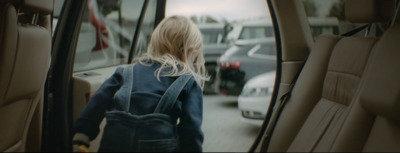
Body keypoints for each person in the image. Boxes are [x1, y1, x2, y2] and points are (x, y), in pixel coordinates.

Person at [72, 15, 208, 152]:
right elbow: (191, 129)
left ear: (155, 41)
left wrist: (82, 134)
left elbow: (98, 102)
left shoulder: (125, 72)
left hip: (115, 142)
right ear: (190, 50)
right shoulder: (188, 82)